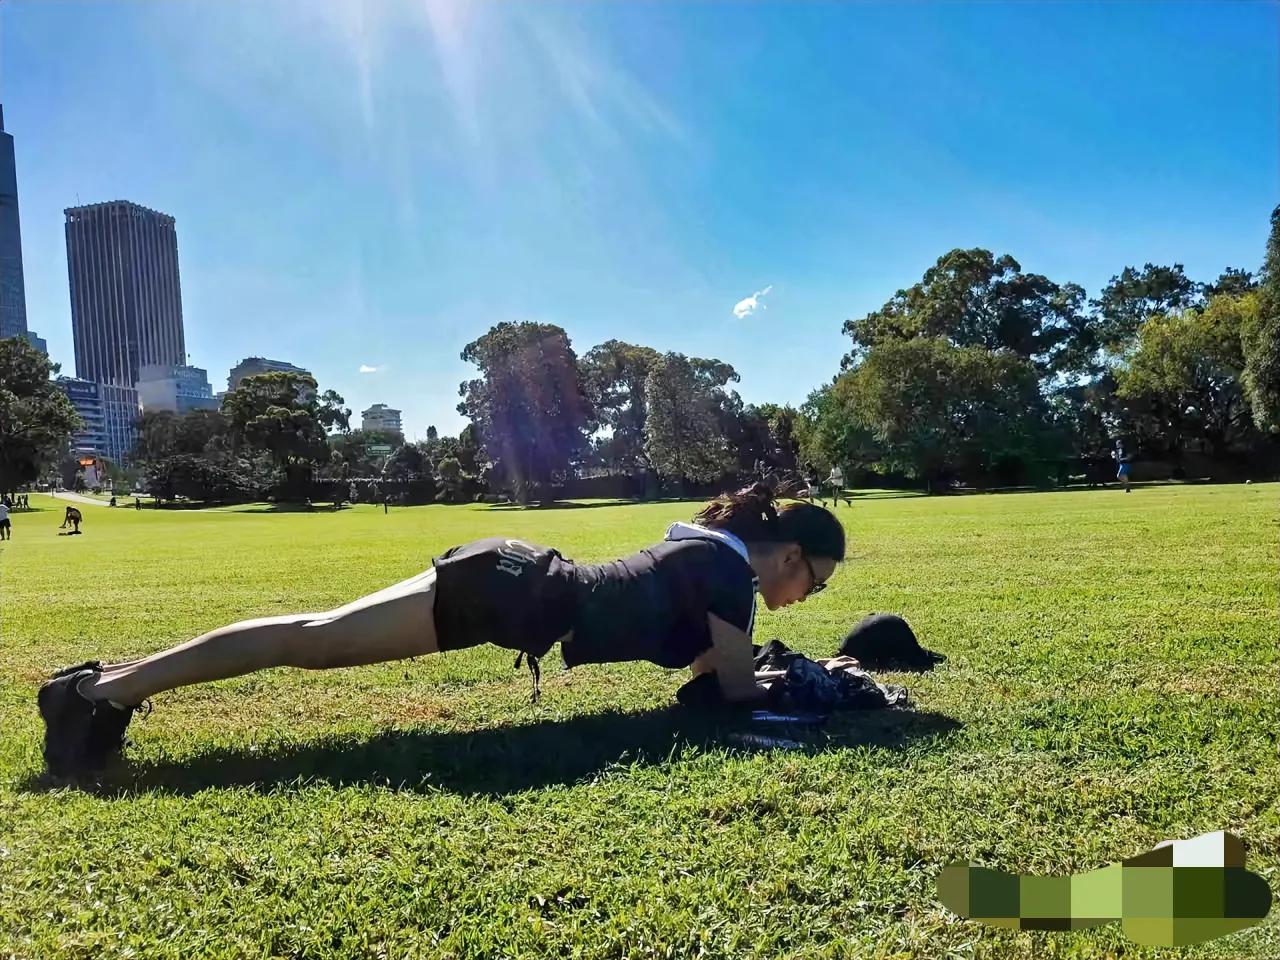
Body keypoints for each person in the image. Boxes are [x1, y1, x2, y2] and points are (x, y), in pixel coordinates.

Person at [37, 484, 845, 778]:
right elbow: (733, 691)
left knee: (312, 637)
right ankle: (100, 692)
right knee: (311, 641)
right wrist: (817, 687)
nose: (808, 597)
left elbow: (707, 676)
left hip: (509, 575)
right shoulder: (730, 574)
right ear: (794, 555)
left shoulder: (711, 557)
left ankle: (105, 682)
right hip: (503, 593)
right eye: (817, 580)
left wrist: (750, 674)